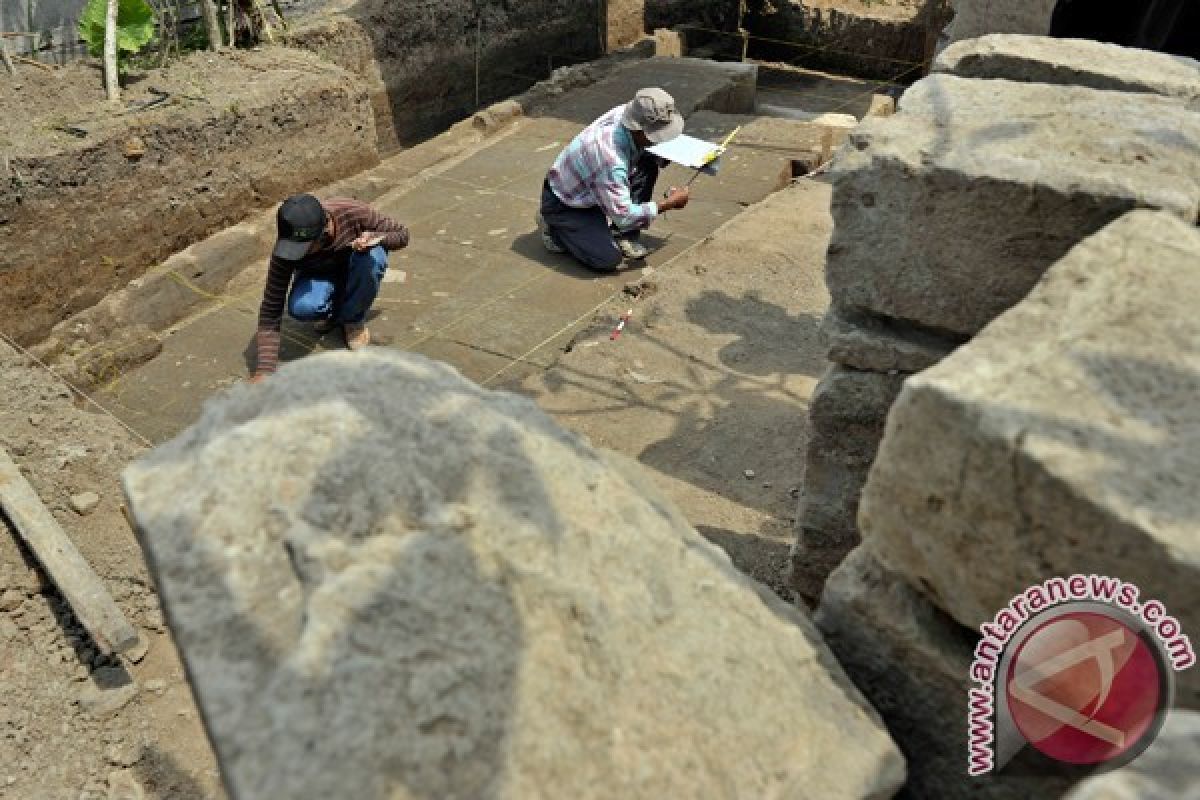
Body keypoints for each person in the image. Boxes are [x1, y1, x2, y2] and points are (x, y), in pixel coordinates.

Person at [249, 193, 409, 382]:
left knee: (373, 259)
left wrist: (375, 238)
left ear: (325, 231)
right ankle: (334, 312)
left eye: (306, 247)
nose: (299, 253)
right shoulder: (286, 247)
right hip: (317, 275)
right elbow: (271, 308)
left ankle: (352, 319)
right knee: (303, 307)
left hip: (355, 267)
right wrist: (265, 370)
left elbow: (402, 234)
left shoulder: (353, 212)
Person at [536, 87, 691, 272]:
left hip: (591, 186)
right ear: (638, 130)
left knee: (648, 162)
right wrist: (669, 203)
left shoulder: (629, 113)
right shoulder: (610, 158)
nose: (660, 140)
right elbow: (625, 216)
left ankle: (622, 233)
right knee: (607, 259)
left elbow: (651, 148)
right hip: (566, 204)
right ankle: (554, 229)